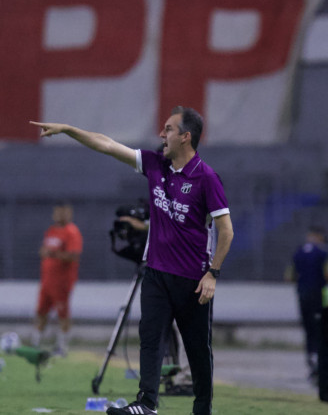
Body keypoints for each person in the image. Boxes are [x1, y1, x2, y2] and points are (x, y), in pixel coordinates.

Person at [30, 105, 234, 415]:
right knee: (150, 339)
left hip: (193, 281)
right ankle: (147, 404)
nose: (161, 134)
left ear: (185, 137)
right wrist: (70, 130)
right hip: (155, 273)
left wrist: (212, 274)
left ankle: (202, 410)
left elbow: (226, 231)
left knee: (198, 352)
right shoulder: (154, 164)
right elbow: (107, 144)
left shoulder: (206, 178)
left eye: (168, 129)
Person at [31, 202, 83, 356]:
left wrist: (53, 254)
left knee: (63, 314)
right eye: (58, 212)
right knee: (41, 312)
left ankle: (62, 347)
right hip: (47, 281)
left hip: (62, 282)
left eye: (64, 212)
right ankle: (35, 343)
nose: (60, 215)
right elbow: (44, 250)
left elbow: (74, 255)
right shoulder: (51, 230)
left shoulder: (72, 232)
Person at [286, 225, 328, 382]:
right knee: (320, 329)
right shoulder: (323, 253)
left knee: (308, 330)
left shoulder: (298, 252)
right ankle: (321, 363)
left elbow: (289, 276)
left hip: (302, 294)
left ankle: (311, 361)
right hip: (319, 295)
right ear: (319, 236)